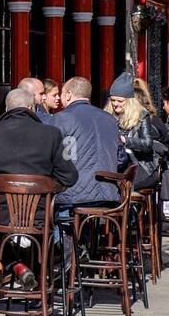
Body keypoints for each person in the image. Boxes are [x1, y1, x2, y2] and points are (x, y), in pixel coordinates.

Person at [0, 86, 78, 290]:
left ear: (6, 109)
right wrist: (48, 184)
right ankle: (44, 276)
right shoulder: (51, 134)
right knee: (53, 227)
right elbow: (69, 176)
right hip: (41, 218)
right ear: (32, 108)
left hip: (1, 216)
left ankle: (14, 265)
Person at [50, 76, 127, 215]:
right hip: (108, 194)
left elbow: (51, 157)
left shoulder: (60, 118)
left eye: (61, 93)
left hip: (71, 195)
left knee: (54, 219)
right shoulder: (109, 119)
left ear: (68, 95)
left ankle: (63, 237)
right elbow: (121, 158)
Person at [107, 71, 167, 192]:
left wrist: (126, 140)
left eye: (120, 101)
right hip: (118, 164)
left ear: (129, 101)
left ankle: (130, 210)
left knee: (123, 185)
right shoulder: (108, 115)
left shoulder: (141, 115)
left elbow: (147, 144)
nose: (115, 104)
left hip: (142, 165)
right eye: (113, 100)